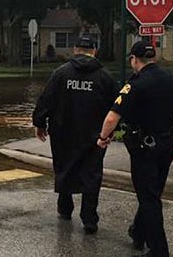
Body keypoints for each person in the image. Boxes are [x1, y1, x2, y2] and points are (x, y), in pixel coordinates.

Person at [96, 41, 173, 257]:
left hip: (143, 146)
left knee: (149, 198)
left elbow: (112, 117)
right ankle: (139, 232)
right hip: (167, 144)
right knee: (153, 191)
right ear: (154, 58)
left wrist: (103, 137)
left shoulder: (135, 84)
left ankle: (159, 250)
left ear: (134, 59)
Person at [32, 34, 119, 234]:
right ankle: (89, 219)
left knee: (64, 167)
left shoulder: (61, 73)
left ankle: (65, 208)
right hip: (94, 135)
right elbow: (116, 106)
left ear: (75, 50)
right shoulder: (104, 76)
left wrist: (39, 122)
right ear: (94, 51)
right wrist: (111, 130)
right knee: (92, 173)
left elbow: (46, 99)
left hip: (63, 132)